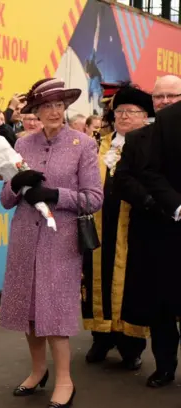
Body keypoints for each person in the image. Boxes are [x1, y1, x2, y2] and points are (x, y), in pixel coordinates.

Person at [0, 78, 103, 408]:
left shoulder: (83, 145)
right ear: (36, 111)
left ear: (65, 108)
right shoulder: (22, 144)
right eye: (46, 106)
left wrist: (56, 195)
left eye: (59, 105)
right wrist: (16, 184)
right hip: (25, 239)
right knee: (29, 311)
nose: (54, 111)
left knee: (55, 313)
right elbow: (4, 199)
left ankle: (65, 381)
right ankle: (37, 370)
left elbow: (94, 199)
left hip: (61, 241)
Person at [81, 84, 154, 370]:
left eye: (132, 112)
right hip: (99, 225)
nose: (124, 117)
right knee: (96, 278)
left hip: (132, 227)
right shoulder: (98, 143)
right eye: (120, 111)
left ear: (145, 116)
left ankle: (131, 344)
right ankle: (101, 336)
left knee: (131, 284)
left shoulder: (150, 145)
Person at [125, 75, 181, 387]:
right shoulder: (137, 139)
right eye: (158, 96)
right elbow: (128, 180)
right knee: (160, 307)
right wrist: (163, 205)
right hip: (154, 233)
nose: (164, 101)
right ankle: (164, 366)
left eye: (171, 95)